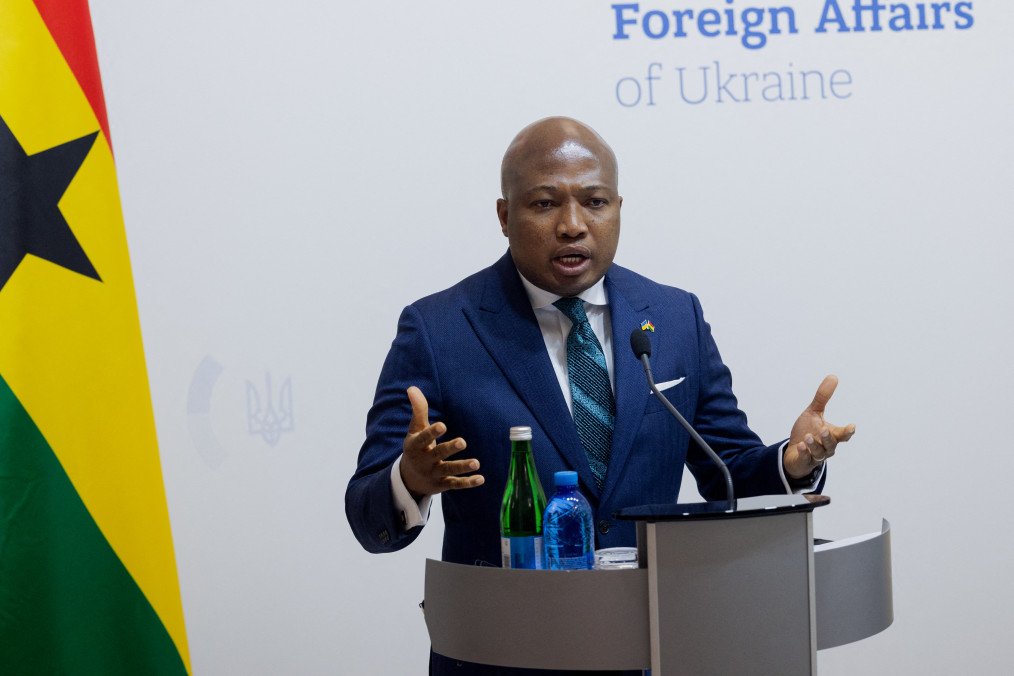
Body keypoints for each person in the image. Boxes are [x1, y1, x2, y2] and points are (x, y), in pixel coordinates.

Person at [345, 117, 855, 675]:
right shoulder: (440, 330)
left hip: (655, 651)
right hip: (506, 656)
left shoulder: (674, 317)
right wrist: (410, 479)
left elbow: (727, 471)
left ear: (617, 208)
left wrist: (792, 462)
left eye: (595, 202)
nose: (572, 225)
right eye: (544, 204)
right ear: (504, 216)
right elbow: (366, 511)